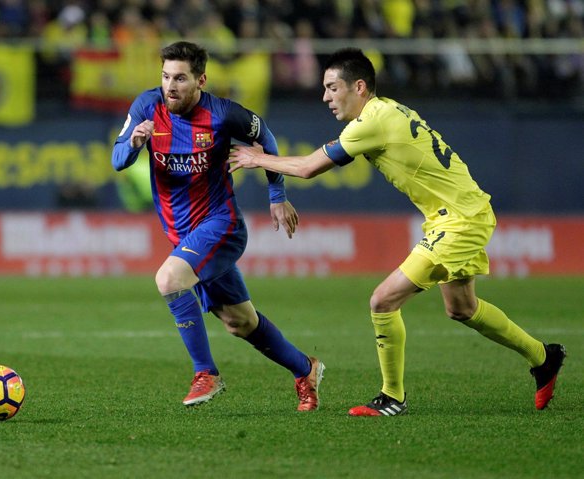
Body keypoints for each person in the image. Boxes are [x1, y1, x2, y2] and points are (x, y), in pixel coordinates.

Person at [228, 47, 566, 416]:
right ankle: (543, 357)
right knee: (462, 308)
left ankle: (392, 397)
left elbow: (309, 167)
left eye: (332, 87)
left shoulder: (372, 121)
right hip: (459, 213)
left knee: (382, 301)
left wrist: (255, 158)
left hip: (459, 219)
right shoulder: (387, 109)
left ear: (358, 86)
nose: (325, 97)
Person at [111, 41, 324, 410]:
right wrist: (133, 142)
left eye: (180, 78)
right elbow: (117, 159)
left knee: (169, 279)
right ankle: (305, 369)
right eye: (165, 77)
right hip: (183, 235)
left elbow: (266, 138)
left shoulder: (223, 115)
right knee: (240, 322)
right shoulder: (147, 107)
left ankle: (205, 372)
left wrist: (277, 196)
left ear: (201, 80)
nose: (170, 86)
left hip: (220, 225)